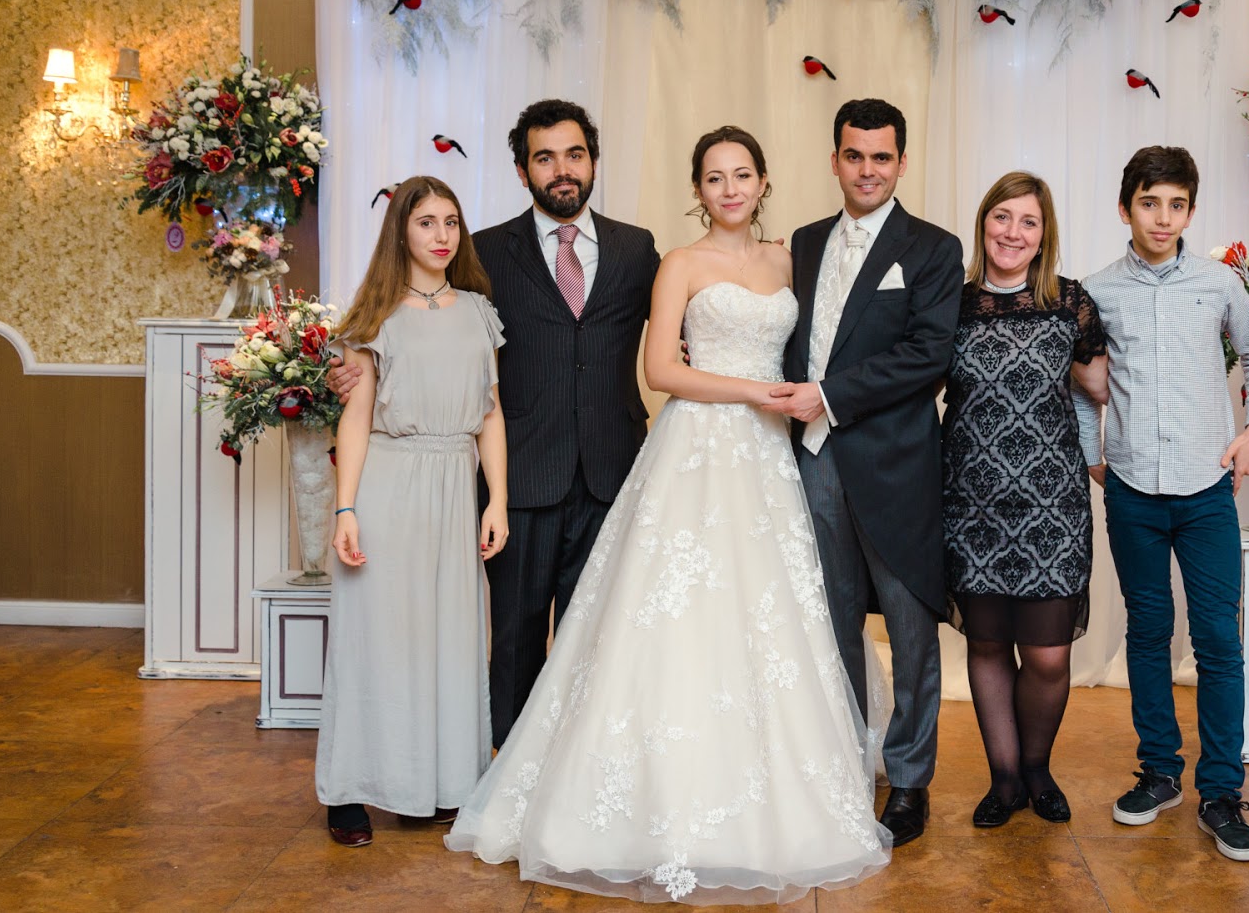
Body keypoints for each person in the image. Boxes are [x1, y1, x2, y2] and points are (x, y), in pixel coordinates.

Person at [445, 125, 891, 904]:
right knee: (671, 615)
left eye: (742, 174)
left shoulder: (790, 260)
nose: (729, 188)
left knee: (766, 617)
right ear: (697, 189)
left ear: (763, 181)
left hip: (769, 462)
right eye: (714, 177)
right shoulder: (678, 262)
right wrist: (754, 392)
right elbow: (659, 370)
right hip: (695, 451)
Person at [330, 99, 660, 748]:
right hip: (521, 479)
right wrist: (344, 372)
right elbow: (424, 334)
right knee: (512, 639)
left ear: (594, 161)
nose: (562, 170)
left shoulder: (637, 249)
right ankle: (508, 772)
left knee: (602, 640)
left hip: (614, 474)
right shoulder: (482, 253)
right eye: (545, 158)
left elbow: (689, 322)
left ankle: (583, 770)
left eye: (574, 154)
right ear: (521, 170)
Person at [1072, 146, 1249, 862]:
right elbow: (1081, 381)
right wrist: (1092, 452)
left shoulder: (1218, 283)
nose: (1163, 218)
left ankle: (1221, 790)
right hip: (1132, 490)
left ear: (1190, 210)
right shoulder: (1097, 291)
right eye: (1149, 203)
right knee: (1149, 630)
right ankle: (1159, 771)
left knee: (1218, 638)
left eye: (1177, 205)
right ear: (1125, 207)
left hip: (1206, 490)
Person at [769, 98, 964, 846]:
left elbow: (929, 355)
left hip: (896, 466)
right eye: (854, 155)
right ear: (835, 160)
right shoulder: (804, 242)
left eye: (882, 157)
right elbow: (786, 334)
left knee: (911, 630)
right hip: (811, 459)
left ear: (902, 163)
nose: (868, 170)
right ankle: (844, 763)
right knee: (831, 622)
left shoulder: (934, 248)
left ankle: (908, 780)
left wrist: (827, 395)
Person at [317, 175, 509, 847]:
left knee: (448, 640)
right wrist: (346, 508)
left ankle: (428, 785)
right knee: (377, 639)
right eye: (426, 222)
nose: (441, 235)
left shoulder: (479, 312)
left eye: (451, 221)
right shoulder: (375, 316)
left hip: (456, 484)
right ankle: (348, 791)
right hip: (390, 484)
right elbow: (356, 419)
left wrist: (498, 500)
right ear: (401, 231)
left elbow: (490, 415)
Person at [941, 171, 1108, 829]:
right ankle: (1006, 780)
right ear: (983, 223)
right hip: (970, 503)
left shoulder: (1070, 303)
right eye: (1002, 217)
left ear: (1044, 235)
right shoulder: (950, 304)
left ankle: (1037, 767)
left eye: (1028, 222)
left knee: (1046, 654)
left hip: (1052, 507)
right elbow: (905, 379)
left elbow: (1104, 386)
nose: (1013, 232)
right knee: (987, 645)